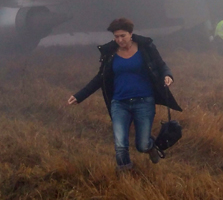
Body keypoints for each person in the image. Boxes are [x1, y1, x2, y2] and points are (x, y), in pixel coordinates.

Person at [68, 18, 182, 171]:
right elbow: (99, 78)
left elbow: (161, 65)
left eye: (123, 36)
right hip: (119, 103)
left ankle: (150, 147)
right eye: (116, 37)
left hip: (144, 102)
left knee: (141, 144)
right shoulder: (110, 54)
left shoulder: (145, 48)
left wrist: (168, 76)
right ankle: (125, 174)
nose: (119, 40)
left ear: (131, 33)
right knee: (120, 145)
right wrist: (79, 96)